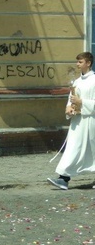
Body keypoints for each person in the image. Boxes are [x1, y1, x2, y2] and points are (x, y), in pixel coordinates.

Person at [48, 51, 95, 190]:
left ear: (88, 63)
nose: (77, 64)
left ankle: (64, 179)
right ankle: (64, 179)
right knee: (73, 148)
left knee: (91, 150)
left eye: (80, 62)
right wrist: (69, 107)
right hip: (78, 121)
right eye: (77, 62)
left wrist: (82, 102)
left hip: (90, 120)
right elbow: (71, 97)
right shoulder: (77, 81)